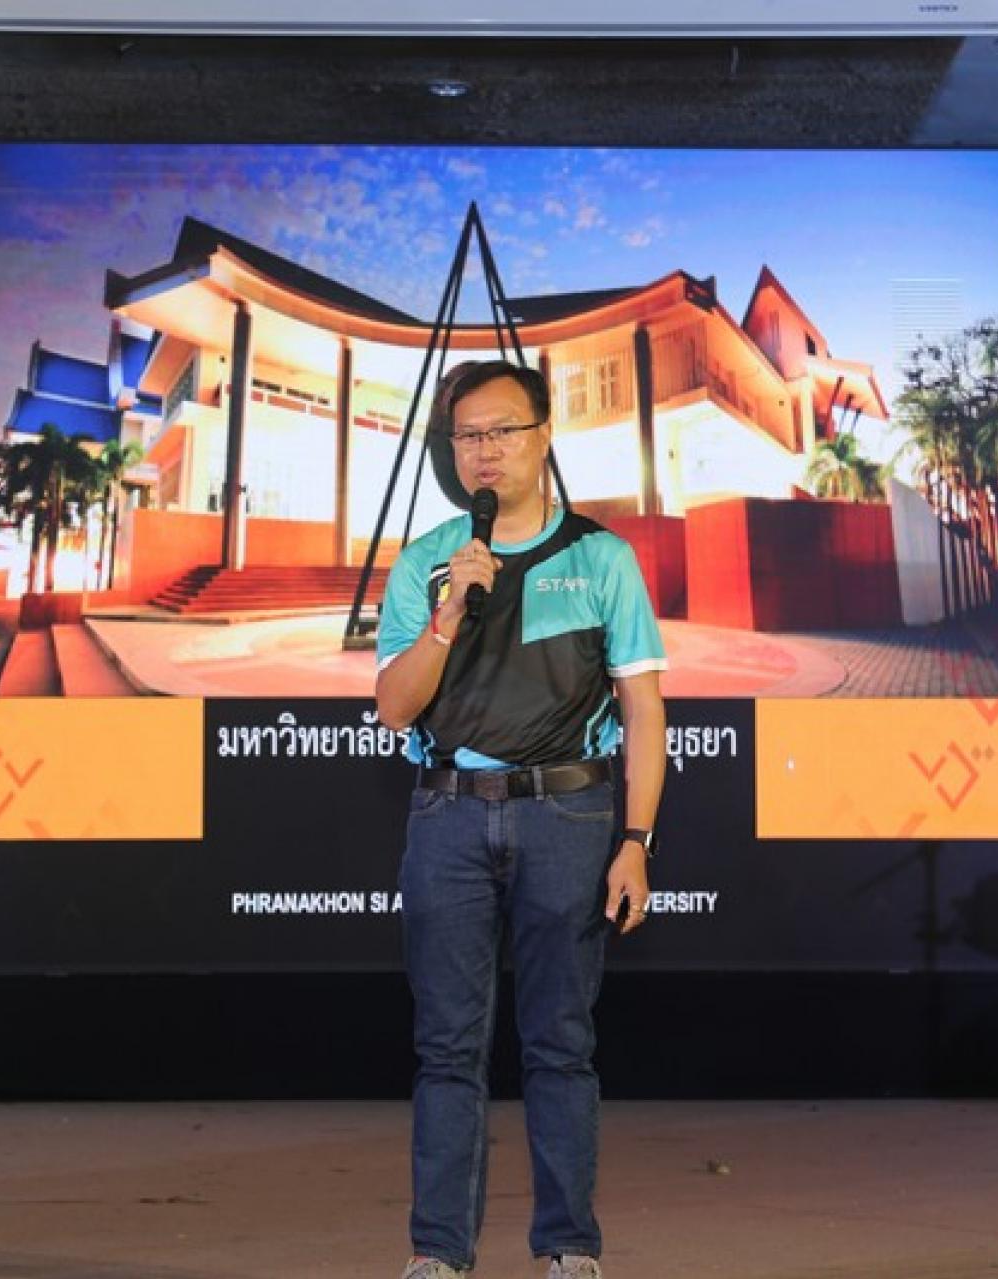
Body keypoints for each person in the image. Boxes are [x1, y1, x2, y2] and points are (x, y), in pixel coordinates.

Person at [375, 361, 668, 1279]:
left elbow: (645, 709)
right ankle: (438, 1254)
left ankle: (569, 1247)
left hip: (568, 816)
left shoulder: (600, 557)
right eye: (468, 435)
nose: (485, 450)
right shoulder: (428, 560)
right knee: (447, 1050)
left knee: (560, 1044)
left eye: (503, 430)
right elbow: (393, 707)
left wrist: (635, 841)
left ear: (543, 437)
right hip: (450, 818)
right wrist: (446, 614)